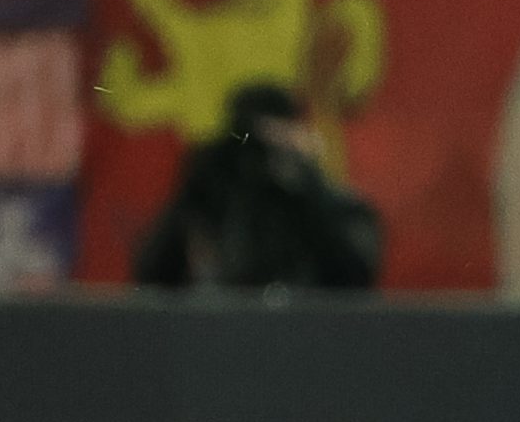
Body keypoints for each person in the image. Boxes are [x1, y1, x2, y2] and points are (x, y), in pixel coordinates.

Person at [132, 83, 383, 291]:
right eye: (252, 148)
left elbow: (354, 282)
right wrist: (196, 188)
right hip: (222, 333)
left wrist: (306, 191)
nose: (260, 164)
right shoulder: (214, 202)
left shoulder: (337, 209)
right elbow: (154, 277)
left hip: (306, 334)